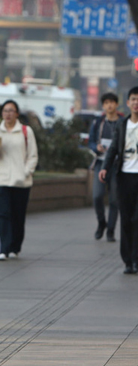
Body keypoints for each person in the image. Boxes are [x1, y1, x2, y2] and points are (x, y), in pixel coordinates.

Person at [0, 100, 38, 261]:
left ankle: (14, 247)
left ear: (17, 113)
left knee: (18, 216)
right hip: (2, 180)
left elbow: (33, 155)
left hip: (21, 181)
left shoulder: (25, 131)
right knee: (3, 214)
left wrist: (26, 172)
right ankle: (2, 249)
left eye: (11, 111)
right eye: (5, 111)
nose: (8, 114)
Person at [99, 86, 138, 275]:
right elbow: (114, 148)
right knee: (126, 220)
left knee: (137, 219)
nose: (136, 103)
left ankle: (136, 259)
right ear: (128, 102)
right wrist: (105, 167)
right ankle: (128, 261)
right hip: (124, 177)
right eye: (133, 99)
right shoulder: (123, 125)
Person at [88, 92, 120, 242]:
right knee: (97, 196)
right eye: (106, 102)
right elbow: (91, 142)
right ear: (103, 106)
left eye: (112, 102)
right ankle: (102, 223)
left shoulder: (123, 122)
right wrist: (97, 147)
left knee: (114, 199)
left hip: (117, 165)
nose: (109, 105)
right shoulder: (98, 122)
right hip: (101, 163)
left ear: (117, 104)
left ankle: (111, 230)